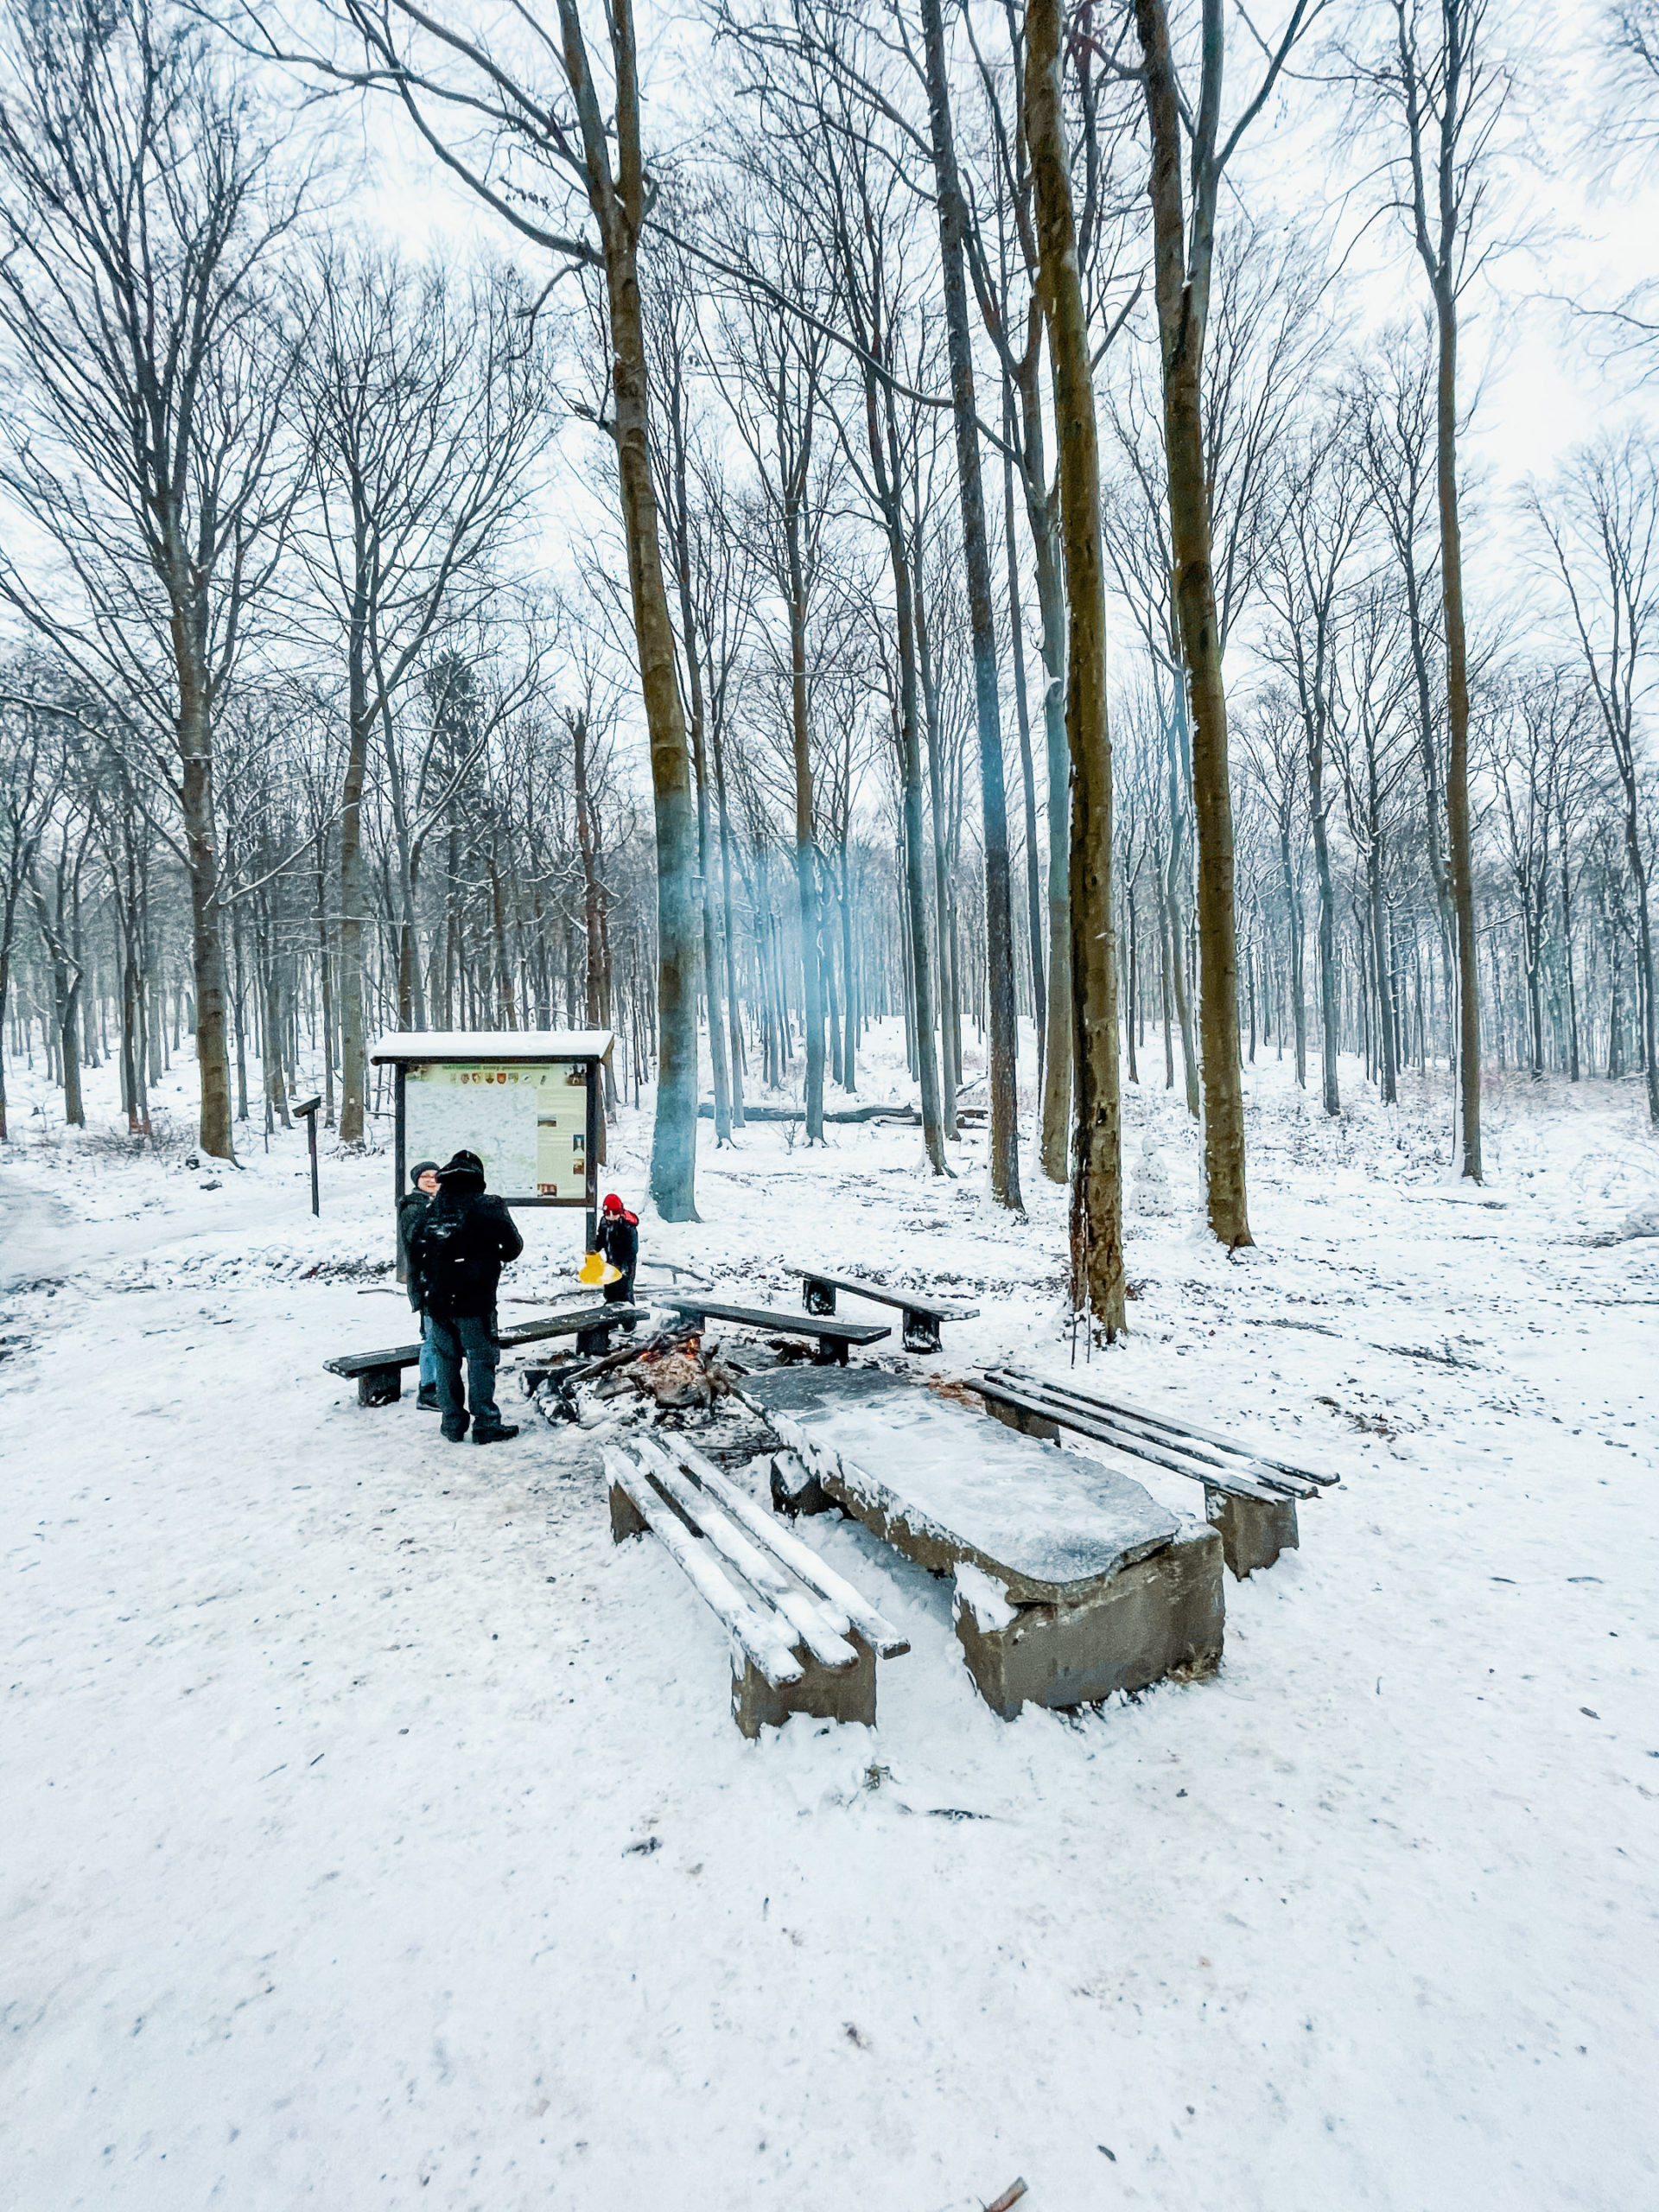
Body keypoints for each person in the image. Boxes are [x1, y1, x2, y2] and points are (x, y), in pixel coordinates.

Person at [408, 1149, 524, 1445]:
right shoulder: (488, 1205)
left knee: (446, 1362)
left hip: (437, 1302)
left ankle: (451, 1424)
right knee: (481, 1360)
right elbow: (513, 1247)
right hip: (476, 1300)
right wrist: (487, 1256)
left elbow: (416, 1248)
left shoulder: (432, 1208)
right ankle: (485, 1423)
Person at [397, 1158, 442, 1411]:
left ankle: (438, 1385)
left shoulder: (436, 1203)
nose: (430, 1180)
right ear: (417, 1182)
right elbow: (418, 1242)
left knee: (438, 1337)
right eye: (425, 1176)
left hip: (440, 1282)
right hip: (426, 1282)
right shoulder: (413, 1207)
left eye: (435, 1175)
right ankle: (428, 1390)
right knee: (432, 1338)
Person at [597, 1192, 639, 1329]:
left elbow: (632, 1249)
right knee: (610, 1291)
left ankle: (629, 1323)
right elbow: (602, 1239)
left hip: (626, 1264)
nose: (610, 1217)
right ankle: (612, 1321)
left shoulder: (627, 1226)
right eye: (607, 1214)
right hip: (610, 1262)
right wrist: (595, 1247)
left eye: (613, 1213)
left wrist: (623, 1265)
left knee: (625, 1292)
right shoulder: (604, 1223)